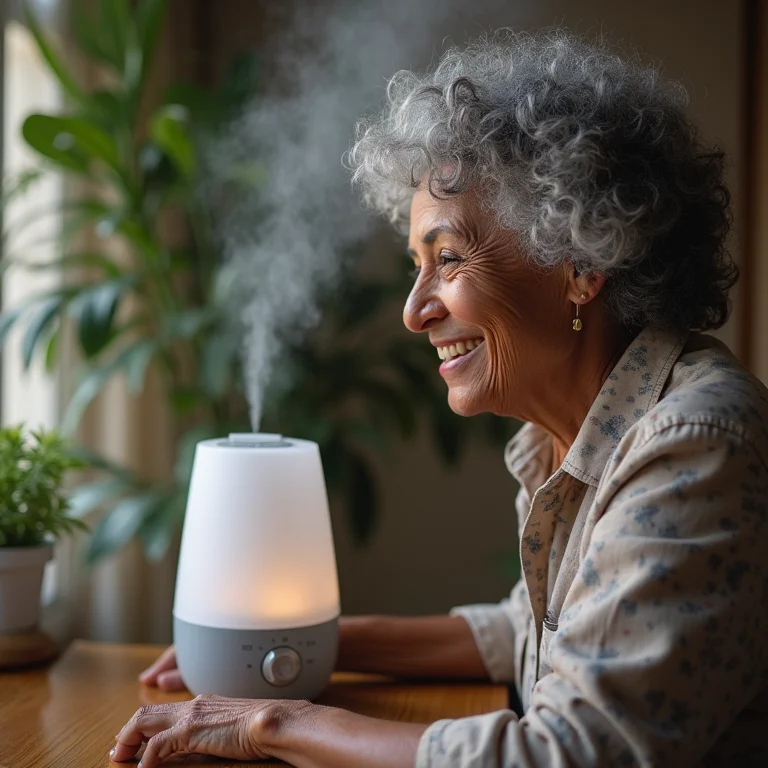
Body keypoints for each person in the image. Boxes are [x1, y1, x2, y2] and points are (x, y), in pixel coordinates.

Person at [110, 31, 768, 767]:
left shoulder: (694, 440)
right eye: (417, 265)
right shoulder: (580, 432)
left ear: (582, 264)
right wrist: (282, 646)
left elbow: (574, 753)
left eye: (448, 259)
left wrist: (272, 722)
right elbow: (528, 630)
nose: (414, 310)